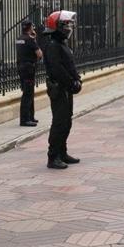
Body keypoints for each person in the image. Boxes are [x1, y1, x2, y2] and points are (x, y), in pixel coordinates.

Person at [43, 10, 82, 169]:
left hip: (66, 88)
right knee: (59, 123)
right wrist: (70, 83)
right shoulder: (52, 45)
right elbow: (57, 69)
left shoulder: (61, 44)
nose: (68, 27)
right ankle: (53, 157)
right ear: (57, 26)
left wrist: (77, 79)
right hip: (59, 88)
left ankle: (62, 152)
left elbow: (69, 65)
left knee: (67, 121)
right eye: (65, 24)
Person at [15, 19, 42, 127]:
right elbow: (39, 54)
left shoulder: (19, 39)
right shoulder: (30, 40)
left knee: (28, 91)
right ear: (30, 28)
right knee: (28, 93)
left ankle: (30, 117)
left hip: (21, 67)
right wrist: (34, 40)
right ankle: (25, 119)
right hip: (29, 68)